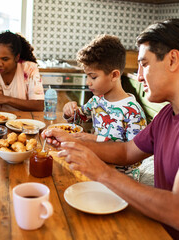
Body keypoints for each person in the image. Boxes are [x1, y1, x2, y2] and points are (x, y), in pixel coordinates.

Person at [42, 19, 179, 239]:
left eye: (145, 64)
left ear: (172, 60)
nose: (139, 76)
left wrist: (101, 172)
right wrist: (73, 142)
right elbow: (126, 152)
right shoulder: (168, 115)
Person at [63, 34, 147, 181]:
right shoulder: (97, 100)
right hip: (97, 167)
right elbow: (78, 118)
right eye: (87, 76)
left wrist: (96, 139)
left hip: (122, 179)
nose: (88, 82)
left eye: (93, 77)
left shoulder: (133, 111)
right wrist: (69, 110)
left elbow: (136, 158)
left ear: (114, 75)